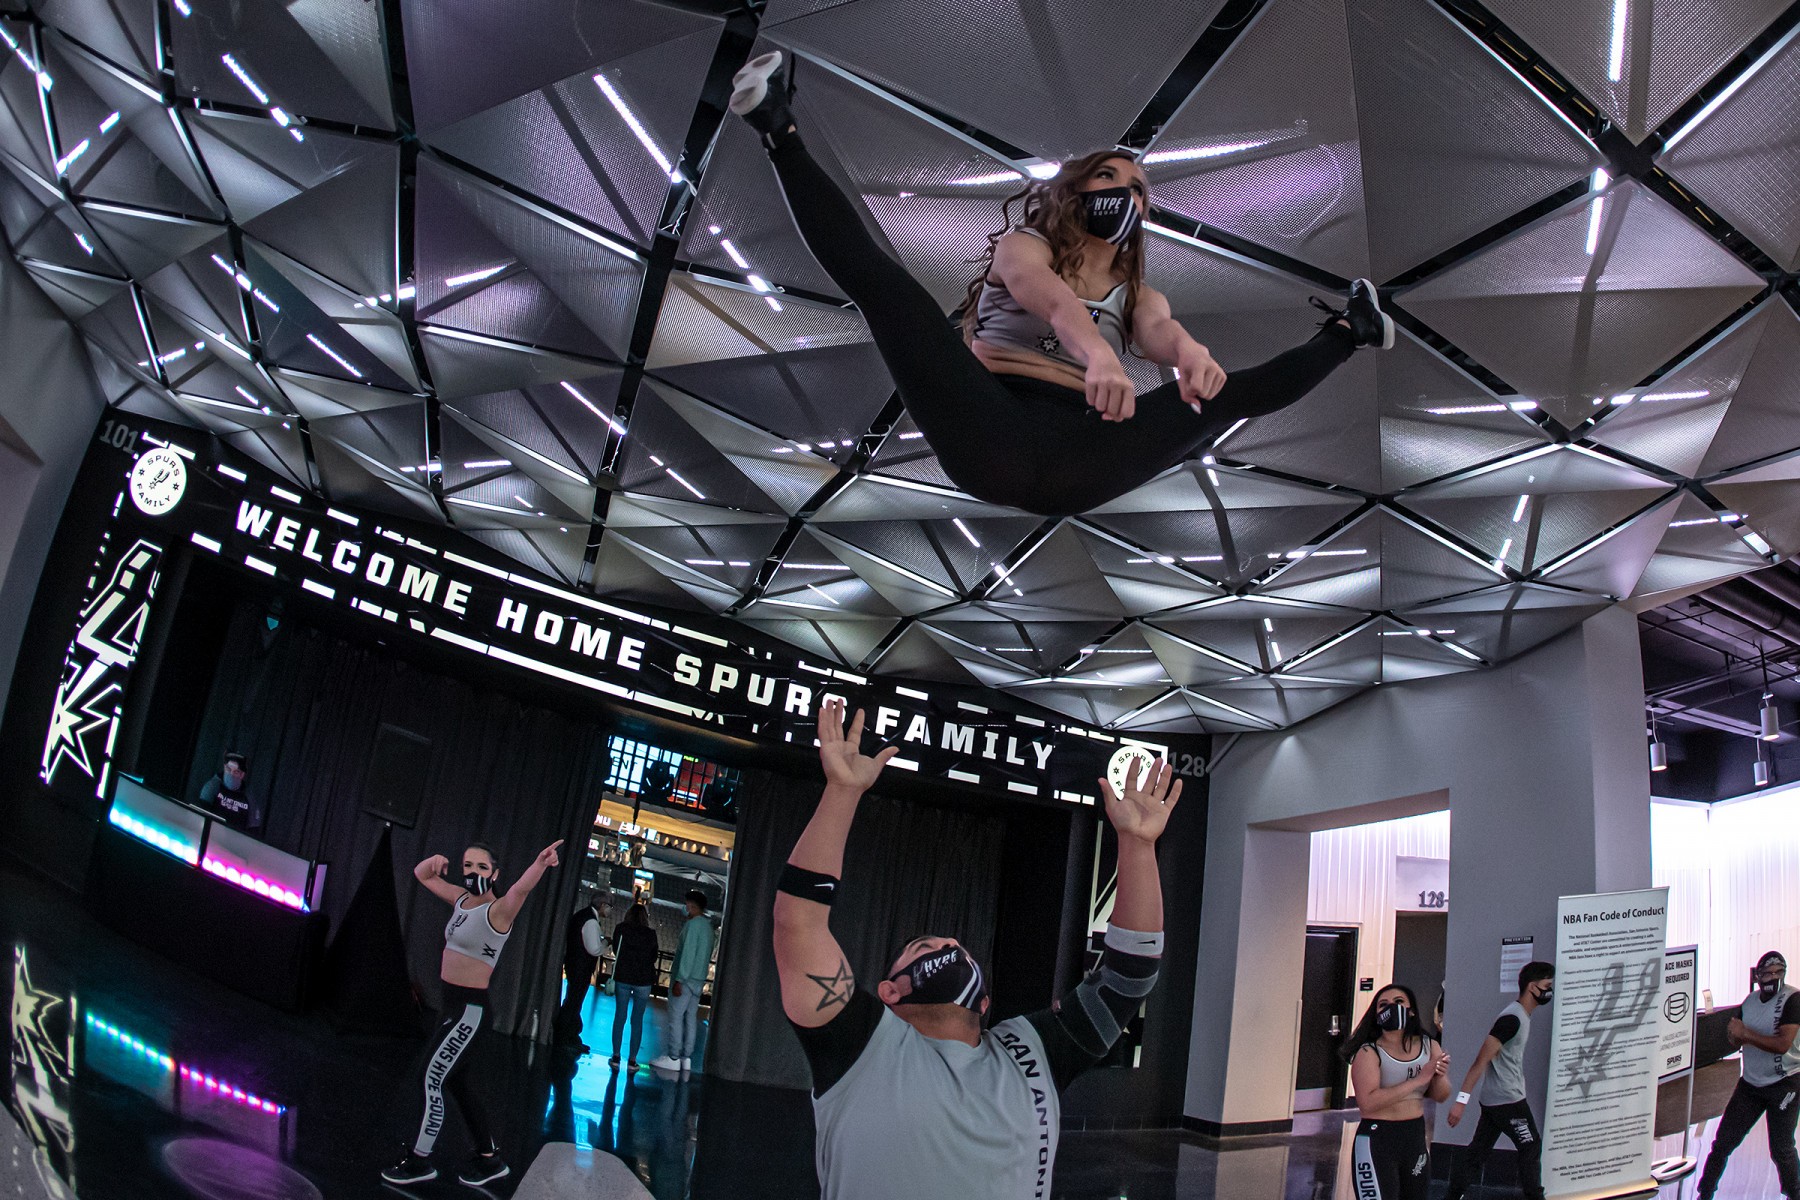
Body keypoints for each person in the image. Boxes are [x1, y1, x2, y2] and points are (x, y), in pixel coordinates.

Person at [725, 51, 1393, 518]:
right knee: (893, 296)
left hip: (1083, 457)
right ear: (1076, 188)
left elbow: (1159, 331)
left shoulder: (1138, 292)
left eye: (1139, 189)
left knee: (1220, 396)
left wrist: (1192, 358)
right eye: (1109, 177)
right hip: (991, 426)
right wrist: (1098, 352)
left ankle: (1350, 331)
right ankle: (779, 128)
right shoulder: (1026, 245)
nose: (1126, 193)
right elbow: (1042, 294)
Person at [773, 698, 1177, 1199]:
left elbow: (1128, 977)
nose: (948, 942)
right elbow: (798, 923)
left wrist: (1137, 845)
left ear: (985, 1004)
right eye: (923, 946)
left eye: (953, 943)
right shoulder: (861, 1047)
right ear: (889, 992)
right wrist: (841, 792)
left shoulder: (1030, 1051)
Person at [381, 838, 563, 1188]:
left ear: (495, 874)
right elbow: (423, 875)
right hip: (452, 1007)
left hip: (470, 1011)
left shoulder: (498, 912)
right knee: (457, 1082)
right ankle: (489, 1158)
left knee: (431, 1077)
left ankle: (419, 1161)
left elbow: (521, 890)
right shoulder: (462, 900)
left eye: (482, 867)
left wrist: (540, 863)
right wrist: (435, 859)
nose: (472, 872)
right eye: (467, 866)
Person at [1444, 962, 1555, 1200]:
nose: (1549, 991)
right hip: (1508, 1098)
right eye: (1547, 986)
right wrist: (1461, 1101)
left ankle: (1452, 1196)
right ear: (1532, 987)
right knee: (1530, 1146)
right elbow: (1480, 1061)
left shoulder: (1520, 1016)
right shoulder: (1512, 1019)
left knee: (1477, 1154)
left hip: (1495, 1099)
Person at [1696, 951, 1800, 1200]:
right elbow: (1735, 1036)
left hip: (1785, 1083)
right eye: (1767, 973)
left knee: (1782, 1148)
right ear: (1758, 976)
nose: (1773, 977)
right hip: (1752, 1084)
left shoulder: (1793, 999)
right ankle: (1705, 1193)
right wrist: (1736, 1035)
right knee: (1722, 1143)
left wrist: (1746, 1035)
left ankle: (1795, 1193)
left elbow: (1782, 1045)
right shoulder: (1750, 1002)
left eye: (1778, 972)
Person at [1344, 983, 1451, 1200]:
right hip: (1378, 1138)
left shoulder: (1429, 1046)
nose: (1391, 1008)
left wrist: (1438, 1075)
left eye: (1398, 1002)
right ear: (1376, 1015)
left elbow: (1441, 1095)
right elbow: (1368, 1103)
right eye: (1383, 1004)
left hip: (1414, 1136)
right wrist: (1418, 1080)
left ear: (1411, 1011)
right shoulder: (1369, 1052)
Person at [650, 889, 716, 1076]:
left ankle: (673, 1057)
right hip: (699, 980)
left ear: (692, 905)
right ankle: (686, 1058)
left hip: (685, 980)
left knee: (676, 1017)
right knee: (691, 1018)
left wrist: (679, 979)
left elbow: (687, 953)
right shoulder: (709, 928)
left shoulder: (692, 925)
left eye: (687, 904)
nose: (685, 907)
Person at [554, 891, 611, 1053]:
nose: (610, 910)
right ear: (602, 905)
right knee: (574, 1002)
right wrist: (605, 943)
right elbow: (594, 949)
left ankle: (568, 1035)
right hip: (581, 967)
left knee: (572, 1001)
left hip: (574, 964)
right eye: (609, 906)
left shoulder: (582, 916)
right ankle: (564, 1037)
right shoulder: (591, 921)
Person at [609, 902, 660, 1072]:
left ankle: (616, 1057)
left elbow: (616, 950)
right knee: (637, 1020)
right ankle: (632, 1061)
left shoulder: (621, 928)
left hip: (623, 976)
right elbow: (654, 956)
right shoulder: (651, 934)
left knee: (620, 1016)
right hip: (643, 980)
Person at [198, 752, 255, 831]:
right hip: (212, 831)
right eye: (228, 769)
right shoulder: (213, 786)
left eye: (236, 772)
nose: (231, 774)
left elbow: (253, 828)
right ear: (224, 767)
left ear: (242, 775)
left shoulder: (248, 796)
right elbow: (200, 814)